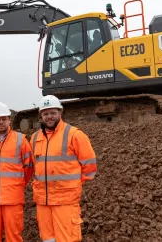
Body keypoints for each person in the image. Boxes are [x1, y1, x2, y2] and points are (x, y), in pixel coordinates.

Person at [30, 95, 97, 242]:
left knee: (67, 239)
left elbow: (90, 166)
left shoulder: (74, 135)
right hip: (43, 202)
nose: (49, 117)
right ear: (41, 116)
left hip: (65, 201)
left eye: (53, 112)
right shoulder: (35, 138)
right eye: (45, 113)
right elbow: (36, 166)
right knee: (48, 239)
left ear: (60, 112)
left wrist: (73, 185)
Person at [0, 102, 34, 242]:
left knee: (14, 236)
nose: (1, 122)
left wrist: (17, 184)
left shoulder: (21, 140)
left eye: (4, 118)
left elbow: (29, 167)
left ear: (9, 120)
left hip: (13, 199)